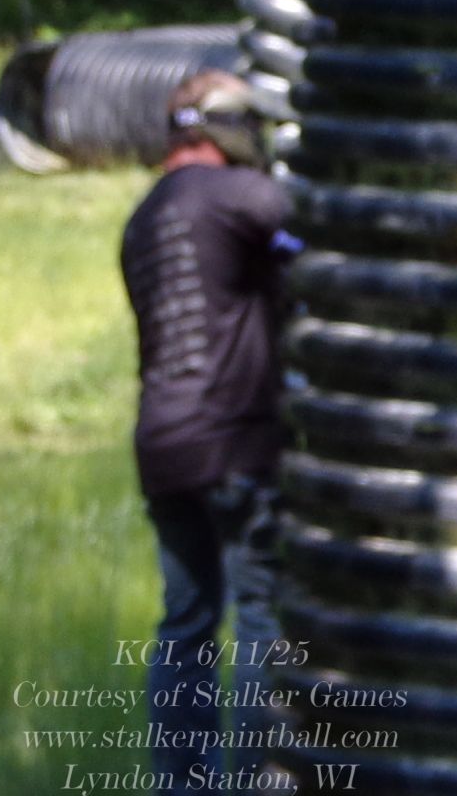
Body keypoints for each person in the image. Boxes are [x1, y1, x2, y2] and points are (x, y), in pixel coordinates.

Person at [119, 69, 293, 793]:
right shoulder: (233, 195)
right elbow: (321, 229)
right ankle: (254, 782)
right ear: (225, 126)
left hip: (163, 446)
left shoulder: (144, 218)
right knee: (261, 616)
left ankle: (183, 786)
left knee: (185, 626)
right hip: (234, 443)